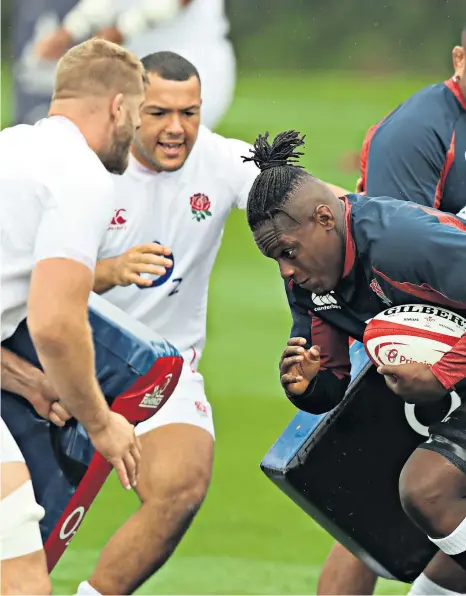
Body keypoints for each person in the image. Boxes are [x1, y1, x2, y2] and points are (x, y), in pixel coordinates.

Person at [244, 130, 466, 582]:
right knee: (425, 505)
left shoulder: (405, 242)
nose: (285, 270)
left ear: (325, 218)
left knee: (428, 491)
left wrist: (442, 373)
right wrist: (306, 386)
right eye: (275, 259)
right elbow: (330, 376)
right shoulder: (308, 283)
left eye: (288, 252)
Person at [319, 26, 466, 596]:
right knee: (372, 515)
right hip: (408, 345)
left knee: (430, 500)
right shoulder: (419, 131)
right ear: (458, 58)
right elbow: (390, 266)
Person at [0, 38, 146, 595]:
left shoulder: (13, 147)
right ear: (116, 106)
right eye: (135, 112)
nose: (134, 131)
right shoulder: (81, 176)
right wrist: (100, 421)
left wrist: (28, 383)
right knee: (21, 580)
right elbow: (56, 324)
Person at [34, 0, 236, 130]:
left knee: (174, 144)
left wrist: (122, 29)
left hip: (194, 62)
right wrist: (70, 29)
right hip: (136, 66)